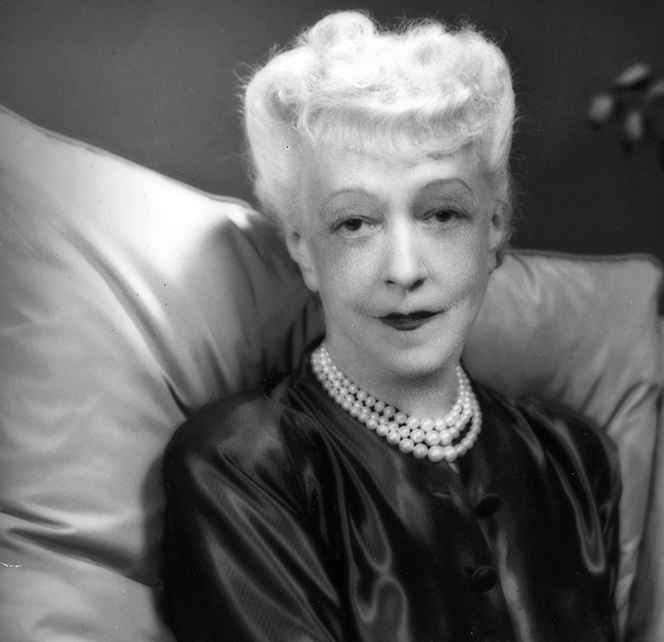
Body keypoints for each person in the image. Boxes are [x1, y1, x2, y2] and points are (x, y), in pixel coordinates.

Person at [160, 10, 621, 642]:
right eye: (355, 223)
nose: (403, 271)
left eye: (441, 214)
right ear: (303, 248)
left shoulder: (574, 460)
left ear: (495, 225)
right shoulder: (240, 462)